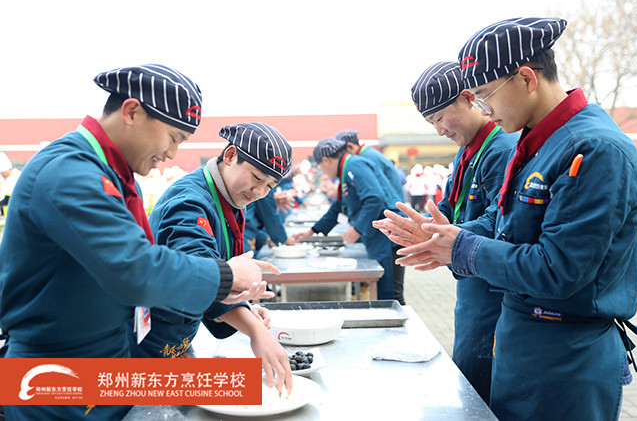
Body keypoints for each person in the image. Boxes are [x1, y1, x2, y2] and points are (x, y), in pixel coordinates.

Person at [376, 18, 637, 420]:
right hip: (524, 343)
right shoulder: (539, 142)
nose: (483, 109)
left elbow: (559, 269)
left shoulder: (594, 149)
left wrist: (462, 248)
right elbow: (506, 224)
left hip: (565, 357)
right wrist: (444, 237)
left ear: (526, 79)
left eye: (484, 96)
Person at [0, 64, 277, 420]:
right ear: (131, 112)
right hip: (57, 379)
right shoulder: (69, 171)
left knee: (247, 387)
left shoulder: (111, 173)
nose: (172, 153)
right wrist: (226, 276)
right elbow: (134, 269)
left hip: (107, 361)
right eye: (173, 137)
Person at [134, 122, 294, 393]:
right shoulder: (189, 202)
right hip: (148, 349)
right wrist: (256, 331)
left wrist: (243, 307)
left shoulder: (230, 198)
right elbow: (201, 272)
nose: (259, 192)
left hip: (178, 339)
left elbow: (217, 279)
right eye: (256, 177)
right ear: (230, 155)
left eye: (269, 185)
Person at [407, 60, 518, 403]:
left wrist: (441, 238)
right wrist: (426, 229)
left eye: (441, 118)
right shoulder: (467, 152)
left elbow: (501, 222)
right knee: (467, 379)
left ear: (469, 98)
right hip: (470, 289)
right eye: (431, 123)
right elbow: (452, 211)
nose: (439, 130)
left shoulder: (501, 149)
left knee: (481, 391)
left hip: (493, 292)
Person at [292, 138, 404, 302]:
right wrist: (311, 231)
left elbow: (374, 198)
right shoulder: (346, 169)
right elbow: (339, 206)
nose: (322, 170)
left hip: (387, 235)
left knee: (389, 294)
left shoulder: (354, 165)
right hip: (378, 236)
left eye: (320, 166)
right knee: (382, 292)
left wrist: (357, 229)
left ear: (326, 160)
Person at [334, 130, 404, 204]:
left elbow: (375, 193)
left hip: (392, 203)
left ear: (350, 146)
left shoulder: (367, 158)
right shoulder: (367, 154)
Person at [0, 152, 20, 217]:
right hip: (4, 214)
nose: (2, 174)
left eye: (3, 172)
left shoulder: (18, 176)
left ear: (9, 169)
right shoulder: (2, 178)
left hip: (14, 213)